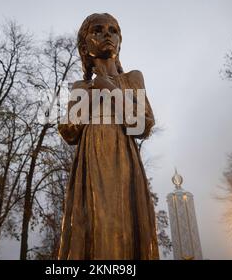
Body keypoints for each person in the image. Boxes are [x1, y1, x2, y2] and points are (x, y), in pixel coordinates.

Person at [57, 13, 159, 259]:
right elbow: (69, 131)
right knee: (94, 222)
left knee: (125, 223)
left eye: (113, 31)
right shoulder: (80, 88)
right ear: (85, 46)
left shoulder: (133, 79)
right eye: (98, 30)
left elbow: (142, 125)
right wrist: (94, 93)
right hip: (90, 165)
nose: (107, 35)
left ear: (120, 43)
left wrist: (110, 89)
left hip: (124, 162)